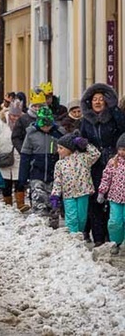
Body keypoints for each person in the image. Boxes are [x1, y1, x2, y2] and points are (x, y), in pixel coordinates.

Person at [80, 83, 125, 246]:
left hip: (115, 163)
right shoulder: (86, 120)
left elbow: (123, 130)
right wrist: (80, 142)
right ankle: (98, 237)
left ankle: (111, 236)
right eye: (94, 99)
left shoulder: (114, 116)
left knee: (113, 199)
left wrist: (114, 109)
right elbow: (82, 138)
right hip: (95, 164)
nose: (98, 102)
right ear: (89, 102)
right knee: (95, 200)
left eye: (101, 99)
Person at [18, 106, 63, 227]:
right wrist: (22, 178)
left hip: (54, 175)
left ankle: (54, 228)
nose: (46, 128)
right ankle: (40, 227)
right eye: (44, 126)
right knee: (39, 202)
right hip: (36, 174)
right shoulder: (31, 134)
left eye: (48, 126)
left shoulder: (58, 134)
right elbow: (25, 156)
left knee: (53, 204)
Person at [51, 132, 100, 234]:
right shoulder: (59, 164)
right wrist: (55, 195)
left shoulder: (84, 158)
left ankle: (79, 235)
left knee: (82, 218)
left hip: (83, 193)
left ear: (69, 148)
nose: (58, 151)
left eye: (61, 148)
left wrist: (85, 144)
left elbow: (96, 154)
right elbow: (57, 181)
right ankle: (72, 237)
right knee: (71, 218)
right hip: (68, 195)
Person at [0, 100, 26, 209]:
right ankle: (8, 204)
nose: (15, 118)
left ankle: (20, 204)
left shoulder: (23, 123)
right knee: (6, 182)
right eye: (13, 115)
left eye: (17, 116)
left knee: (20, 181)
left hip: (19, 156)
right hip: (4, 157)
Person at [97, 134, 125, 254]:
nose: (122, 152)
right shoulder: (113, 162)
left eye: (124, 150)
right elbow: (106, 177)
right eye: (120, 149)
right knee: (115, 221)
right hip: (115, 197)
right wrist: (102, 192)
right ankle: (116, 242)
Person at [12, 88, 47, 154]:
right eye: (35, 106)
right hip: (29, 153)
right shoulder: (23, 119)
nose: (37, 109)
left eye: (40, 106)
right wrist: (23, 151)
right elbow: (16, 137)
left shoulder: (50, 119)